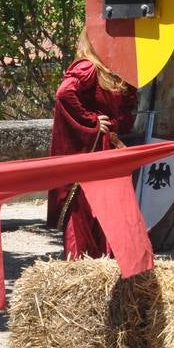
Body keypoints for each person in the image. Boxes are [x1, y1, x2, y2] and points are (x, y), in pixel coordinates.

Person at [48, 28, 138, 259]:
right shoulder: (87, 67)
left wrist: (116, 123)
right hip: (91, 153)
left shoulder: (114, 70)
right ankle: (80, 262)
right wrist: (92, 120)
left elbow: (126, 107)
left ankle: (108, 260)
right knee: (84, 208)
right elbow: (64, 93)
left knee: (110, 208)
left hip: (108, 152)